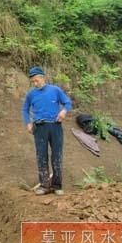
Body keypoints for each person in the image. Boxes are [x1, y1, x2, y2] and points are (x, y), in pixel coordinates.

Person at [21, 66, 72, 196]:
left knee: (57, 155)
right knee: (41, 156)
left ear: (43, 78)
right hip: (39, 128)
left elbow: (67, 102)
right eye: (32, 81)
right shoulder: (31, 94)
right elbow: (24, 109)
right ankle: (44, 186)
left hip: (55, 126)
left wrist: (63, 111)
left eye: (36, 80)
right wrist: (28, 123)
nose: (35, 83)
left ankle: (57, 185)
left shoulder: (55, 90)